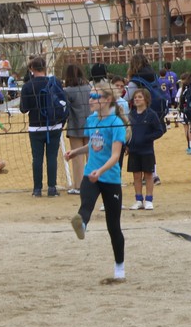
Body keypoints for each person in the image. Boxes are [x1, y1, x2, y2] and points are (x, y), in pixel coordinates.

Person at [67, 82, 128, 284]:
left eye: (95, 97)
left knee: (114, 226)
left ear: (107, 99)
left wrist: (100, 171)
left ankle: (119, 266)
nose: (90, 100)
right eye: (90, 96)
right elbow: (93, 147)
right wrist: (75, 152)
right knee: (86, 204)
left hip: (109, 178)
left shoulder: (116, 123)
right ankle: (82, 224)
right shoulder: (92, 120)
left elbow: (115, 155)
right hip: (90, 174)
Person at [19, 56, 64, 197]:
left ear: (31, 69)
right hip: (54, 126)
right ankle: (52, 188)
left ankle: (37, 189)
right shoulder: (54, 82)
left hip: (35, 127)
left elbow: (23, 109)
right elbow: (63, 102)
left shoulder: (27, 86)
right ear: (45, 68)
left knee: (37, 158)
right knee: (52, 157)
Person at [127, 88, 165, 210]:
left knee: (149, 175)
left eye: (140, 97)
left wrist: (146, 138)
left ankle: (149, 199)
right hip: (134, 150)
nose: (136, 99)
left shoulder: (151, 114)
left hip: (147, 150)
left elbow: (159, 131)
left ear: (146, 99)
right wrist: (127, 144)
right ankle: (138, 199)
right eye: (135, 97)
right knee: (136, 176)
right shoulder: (131, 115)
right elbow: (127, 132)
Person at [62, 63, 92, 195]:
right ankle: (94, 183)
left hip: (75, 126)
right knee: (92, 156)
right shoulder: (89, 87)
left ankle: (79, 186)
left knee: (77, 157)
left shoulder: (67, 91)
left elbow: (65, 110)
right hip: (91, 125)